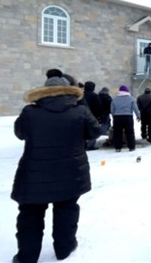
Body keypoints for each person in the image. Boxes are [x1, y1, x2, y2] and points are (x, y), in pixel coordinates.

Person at [12, 73, 101, 262]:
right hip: (71, 171)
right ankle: (65, 248)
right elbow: (95, 131)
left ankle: (26, 256)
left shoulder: (30, 112)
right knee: (67, 209)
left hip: (35, 174)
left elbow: (20, 133)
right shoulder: (80, 111)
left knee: (30, 215)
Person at [110, 85, 140, 152]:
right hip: (128, 117)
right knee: (130, 132)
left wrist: (114, 116)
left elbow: (112, 109)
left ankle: (118, 147)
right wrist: (138, 116)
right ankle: (131, 147)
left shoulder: (114, 99)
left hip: (117, 117)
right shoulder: (131, 98)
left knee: (117, 133)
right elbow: (135, 108)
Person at [82, 81, 102, 151]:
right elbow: (99, 106)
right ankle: (90, 145)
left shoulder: (82, 95)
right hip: (93, 115)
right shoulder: (94, 96)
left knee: (83, 130)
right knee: (92, 130)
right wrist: (99, 116)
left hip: (82, 115)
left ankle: (84, 145)